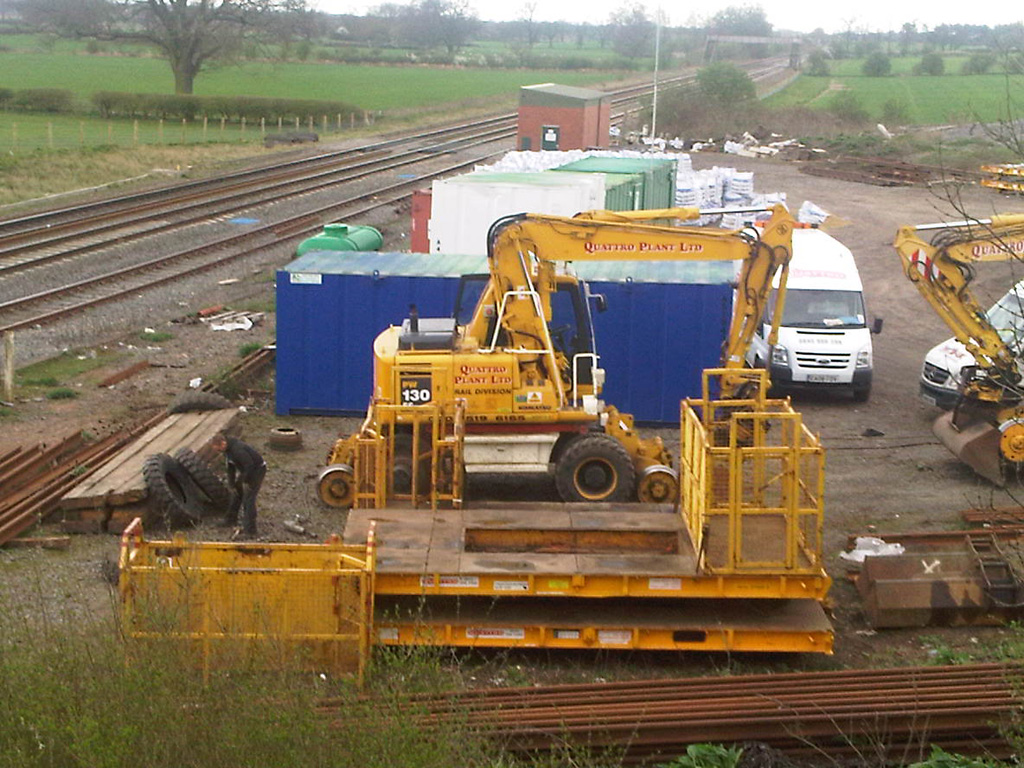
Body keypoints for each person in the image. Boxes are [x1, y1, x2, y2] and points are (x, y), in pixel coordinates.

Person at [210, 432, 265, 538]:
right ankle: (230, 519)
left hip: (257, 470)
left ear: (222, 443)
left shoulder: (237, 450)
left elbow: (250, 466)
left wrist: (244, 481)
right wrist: (232, 484)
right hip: (246, 470)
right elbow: (231, 467)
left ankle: (251, 530)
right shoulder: (227, 450)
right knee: (236, 494)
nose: (218, 452)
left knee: (248, 499)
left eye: (218, 449)